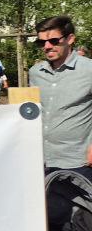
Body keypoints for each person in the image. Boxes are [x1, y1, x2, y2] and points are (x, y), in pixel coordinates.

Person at [30, 16, 92, 173]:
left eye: (53, 41)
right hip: (40, 160)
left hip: (77, 162)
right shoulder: (35, 73)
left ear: (70, 39)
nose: (47, 46)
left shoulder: (88, 70)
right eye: (42, 42)